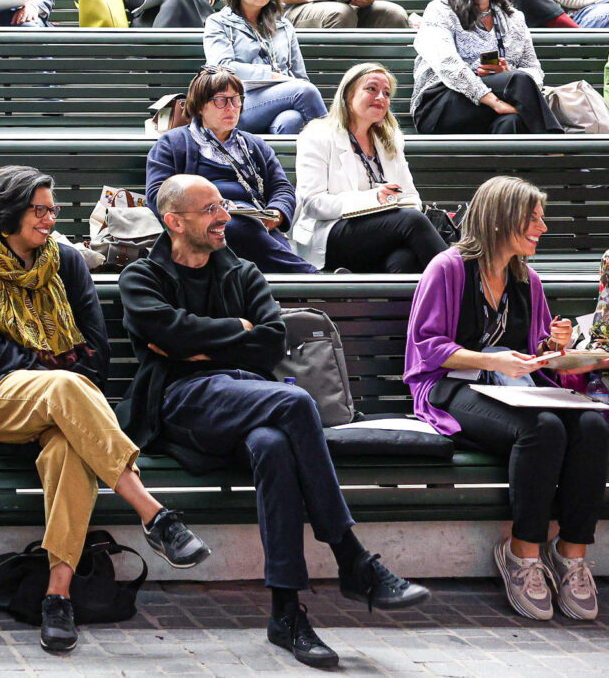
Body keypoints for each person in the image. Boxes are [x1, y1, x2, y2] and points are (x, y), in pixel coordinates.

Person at [117, 173, 430, 669]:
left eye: (223, 205)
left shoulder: (241, 272)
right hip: (182, 403)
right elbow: (166, 334)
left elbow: (270, 340)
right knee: (295, 402)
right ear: (174, 222)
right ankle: (351, 556)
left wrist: (201, 341)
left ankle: (286, 615)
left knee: (274, 447)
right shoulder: (142, 278)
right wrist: (231, 330)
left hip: (248, 397)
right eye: (209, 210)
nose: (224, 217)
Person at [0, 165, 211, 654]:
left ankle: (57, 597)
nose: (50, 219)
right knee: (66, 385)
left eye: (53, 209)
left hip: (67, 410)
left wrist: (59, 373)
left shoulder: (67, 262)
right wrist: (50, 367)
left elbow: (97, 351)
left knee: (71, 450)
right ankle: (154, 515)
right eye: (39, 210)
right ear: (9, 213)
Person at [405, 175, 606, 622]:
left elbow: (532, 351)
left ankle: (571, 554)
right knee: (543, 430)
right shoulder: (448, 268)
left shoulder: (526, 277)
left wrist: (552, 351)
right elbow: (427, 346)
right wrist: (492, 361)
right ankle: (523, 553)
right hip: (451, 385)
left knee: (593, 425)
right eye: (533, 219)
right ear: (501, 220)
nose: (543, 228)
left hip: (515, 389)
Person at [147, 66, 317, 274]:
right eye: (221, 100)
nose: (231, 107)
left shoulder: (255, 145)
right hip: (206, 224)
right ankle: (311, 277)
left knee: (261, 234)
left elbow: (282, 188)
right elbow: (157, 195)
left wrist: (276, 214)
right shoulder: (172, 143)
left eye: (236, 99)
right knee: (240, 228)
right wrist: (204, 213)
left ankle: (301, 289)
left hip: (256, 222)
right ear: (200, 105)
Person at [292, 63, 448, 273]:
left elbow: (411, 197)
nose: (381, 97)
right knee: (412, 221)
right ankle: (465, 291)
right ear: (348, 96)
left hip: (384, 234)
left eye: (386, 93)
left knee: (405, 260)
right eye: (371, 89)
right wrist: (374, 199)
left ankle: (404, 306)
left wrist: (390, 205)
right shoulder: (317, 136)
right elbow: (313, 203)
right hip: (330, 233)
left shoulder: (390, 140)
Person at [411, 0, 563, 134]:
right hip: (440, 105)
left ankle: (504, 165)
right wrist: (494, 101)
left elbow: (534, 69)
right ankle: (558, 152)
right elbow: (447, 63)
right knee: (518, 80)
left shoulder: (514, 18)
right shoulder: (440, 10)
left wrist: (507, 72)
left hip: (497, 105)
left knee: (511, 123)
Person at [203, 0, 327, 134]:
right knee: (305, 91)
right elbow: (221, 66)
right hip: (237, 103)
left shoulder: (283, 25)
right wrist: (270, 75)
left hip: (282, 100)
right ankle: (337, 146)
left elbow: (299, 76)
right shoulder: (218, 22)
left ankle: (279, 156)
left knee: (291, 121)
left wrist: (287, 83)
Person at [280, 0, 409, 28]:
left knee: (393, 13)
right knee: (340, 13)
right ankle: (335, 86)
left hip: (349, 4)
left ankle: (383, 86)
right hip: (294, 8)